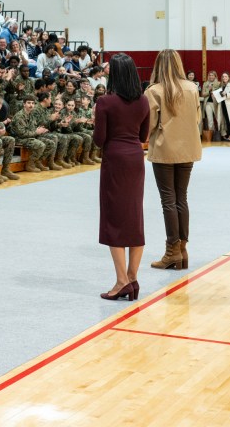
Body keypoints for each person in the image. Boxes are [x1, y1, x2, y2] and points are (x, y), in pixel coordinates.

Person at [94, 53, 150, 301]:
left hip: (115, 160)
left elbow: (99, 139)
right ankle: (132, 277)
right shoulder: (144, 101)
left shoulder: (105, 102)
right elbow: (143, 135)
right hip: (136, 160)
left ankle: (121, 282)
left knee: (114, 221)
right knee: (134, 218)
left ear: (114, 74)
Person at [144, 49, 202, 272]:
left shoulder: (154, 91)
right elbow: (196, 118)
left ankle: (172, 251)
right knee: (181, 198)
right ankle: (183, 250)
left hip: (164, 149)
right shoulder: (192, 87)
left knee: (168, 200)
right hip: (188, 148)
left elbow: (149, 124)